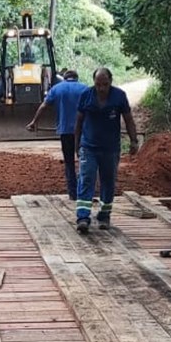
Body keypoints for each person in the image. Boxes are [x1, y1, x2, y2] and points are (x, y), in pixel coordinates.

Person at [74, 67, 139, 233]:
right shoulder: (86, 96)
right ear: (93, 83)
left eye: (105, 84)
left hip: (110, 148)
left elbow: (128, 119)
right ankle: (83, 217)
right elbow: (79, 122)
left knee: (108, 180)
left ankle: (104, 215)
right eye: (98, 84)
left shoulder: (119, 96)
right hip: (89, 146)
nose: (101, 88)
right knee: (86, 178)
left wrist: (133, 140)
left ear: (110, 82)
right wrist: (77, 144)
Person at [26, 69, 86, 200]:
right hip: (83, 131)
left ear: (64, 78)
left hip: (65, 131)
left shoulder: (57, 89)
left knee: (69, 162)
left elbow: (43, 106)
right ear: (77, 78)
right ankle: (84, 191)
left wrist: (34, 122)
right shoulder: (85, 89)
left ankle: (73, 193)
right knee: (84, 160)